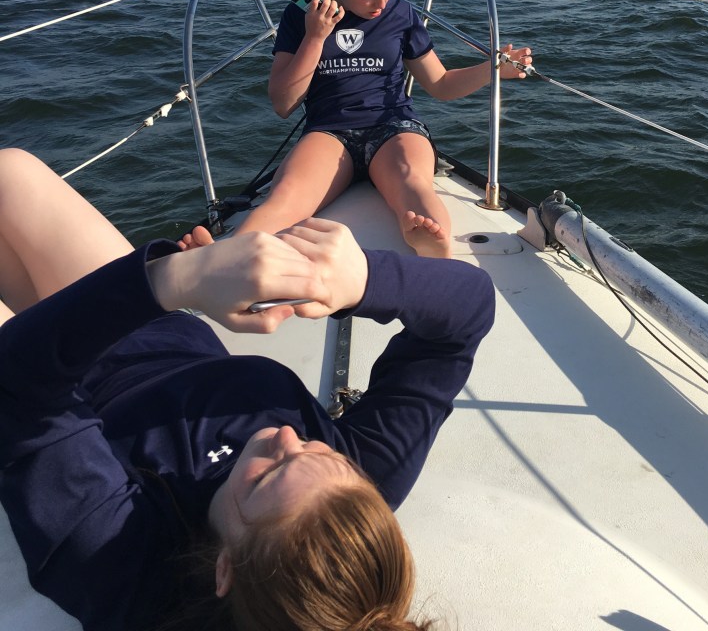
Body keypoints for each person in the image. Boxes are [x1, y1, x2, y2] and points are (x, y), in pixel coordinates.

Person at [0, 148, 495, 631]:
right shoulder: (354, 489)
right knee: (10, 174)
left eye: (268, 475)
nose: (287, 436)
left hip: (43, 381)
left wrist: (174, 280)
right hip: (152, 332)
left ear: (225, 571)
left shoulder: (125, 564)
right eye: (321, 451)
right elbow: (466, 314)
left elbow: (21, 386)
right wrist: (359, 280)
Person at [180, 0, 532, 259]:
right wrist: (315, 36)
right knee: (285, 198)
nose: (381, 4)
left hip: (394, 125)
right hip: (330, 131)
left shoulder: (401, 14)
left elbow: (440, 84)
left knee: (412, 183)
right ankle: (221, 257)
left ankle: (431, 240)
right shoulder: (303, 15)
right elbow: (283, 104)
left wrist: (492, 69)